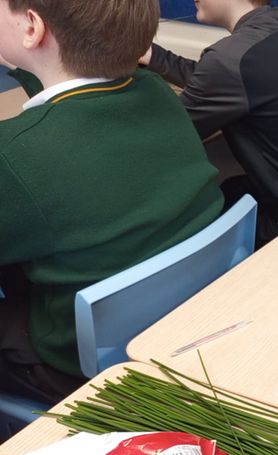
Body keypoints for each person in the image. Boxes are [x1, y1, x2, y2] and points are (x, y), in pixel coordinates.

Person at [0, 0, 222, 403]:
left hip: (73, 363)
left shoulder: (14, 156)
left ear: (32, 27)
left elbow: (35, 152)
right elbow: (75, 105)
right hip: (167, 323)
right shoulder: (155, 90)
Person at [143, 0, 278, 246]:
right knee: (231, 188)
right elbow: (219, 81)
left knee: (193, 215)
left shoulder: (229, 59)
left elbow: (170, 135)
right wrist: (154, 56)